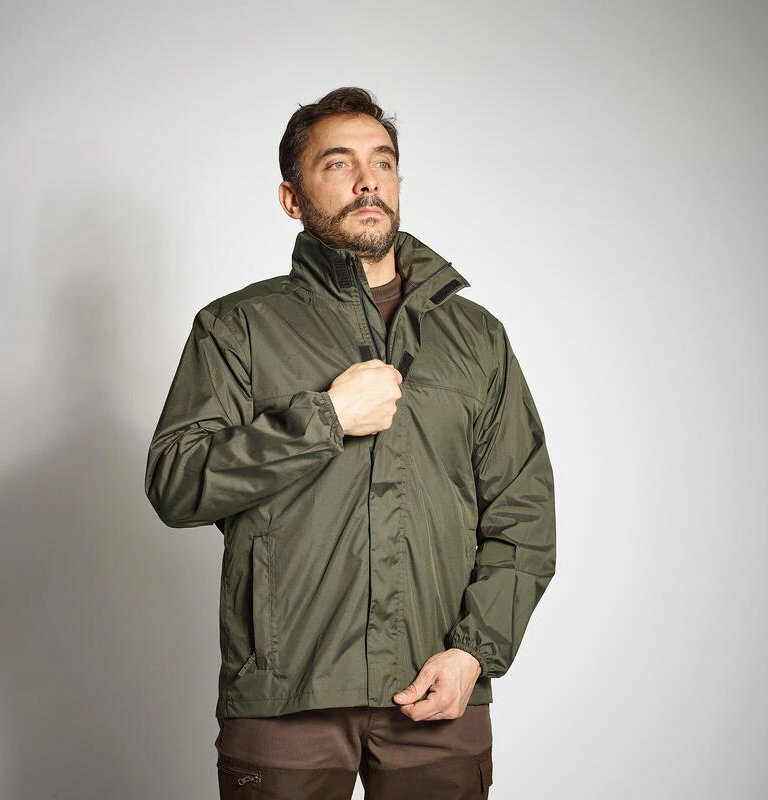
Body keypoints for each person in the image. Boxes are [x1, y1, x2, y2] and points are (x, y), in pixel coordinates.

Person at [145, 87, 555, 799]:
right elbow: (177, 485)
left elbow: (523, 515)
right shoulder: (238, 327)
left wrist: (473, 654)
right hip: (285, 693)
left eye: (383, 162)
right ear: (292, 198)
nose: (368, 180)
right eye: (338, 163)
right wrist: (324, 418)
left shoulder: (476, 338)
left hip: (437, 689)